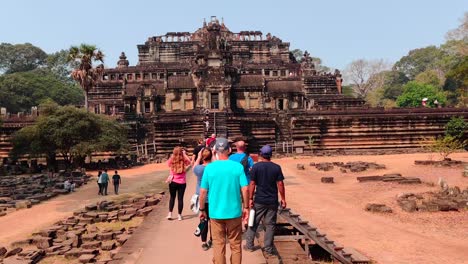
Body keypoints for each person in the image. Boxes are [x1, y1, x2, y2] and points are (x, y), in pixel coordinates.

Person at [199, 138, 250, 264]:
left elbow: (203, 192)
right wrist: (246, 207)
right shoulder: (237, 167)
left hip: (216, 213)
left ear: (215, 150)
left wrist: (201, 209)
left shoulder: (209, 168)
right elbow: (245, 189)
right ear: (230, 150)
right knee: (236, 245)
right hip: (234, 213)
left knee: (218, 245)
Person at [244, 145, 286, 256]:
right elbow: (280, 184)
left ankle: (249, 245)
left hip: (259, 200)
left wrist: (250, 198)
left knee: (253, 223)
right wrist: (283, 199)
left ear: (261, 154)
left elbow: (252, 184)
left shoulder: (256, 167)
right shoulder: (276, 167)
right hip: (272, 200)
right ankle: (268, 249)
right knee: (270, 225)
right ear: (270, 155)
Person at [193, 148, 213, 251]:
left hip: (202, 198)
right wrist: (214, 154)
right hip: (213, 198)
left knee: (203, 220)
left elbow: (193, 167)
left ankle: (204, 242)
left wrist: (199, 156)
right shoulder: (214, 168)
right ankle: (212, 240)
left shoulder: (199, 169)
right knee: (213, 221)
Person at [167, 146, 191, 220]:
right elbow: (189, 161)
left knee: (172, 197)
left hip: (173, 181)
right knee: (180, 199)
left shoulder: (172, 159)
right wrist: (184, 154)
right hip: (182, 182)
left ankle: (170, 214)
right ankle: (179, 215)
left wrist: (173, 156)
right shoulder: (183, 160)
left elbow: (168, 164)